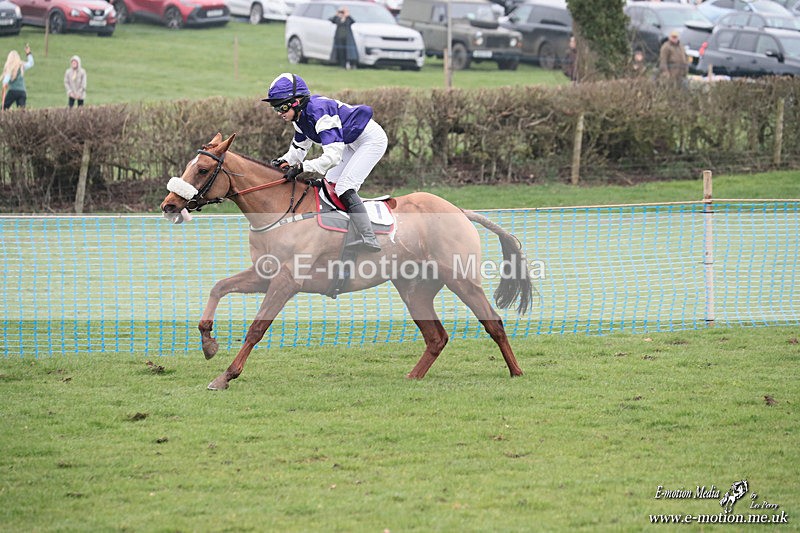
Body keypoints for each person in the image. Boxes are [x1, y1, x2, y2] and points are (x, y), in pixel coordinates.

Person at [264, 73, 387, 252]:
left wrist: (303, 167)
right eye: (275, 108)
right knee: (329, 186)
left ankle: (369, 237)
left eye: (282, 107)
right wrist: (282, 162)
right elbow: (298, 150)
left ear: (297, 101)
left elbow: (332, 157)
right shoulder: (299, 118)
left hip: (370, 140)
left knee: (344, 187)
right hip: (349, 141)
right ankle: (342, 232)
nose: (279, 113)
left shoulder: (319, 113)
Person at [2, 44, 33, 110]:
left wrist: (4, 84)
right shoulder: (21, 66)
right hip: (22, 92)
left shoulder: (10, 68)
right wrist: (28, 53)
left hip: (13, 91)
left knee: (4, 107)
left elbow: (6, 79)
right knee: (21, 112)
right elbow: (31, 63)